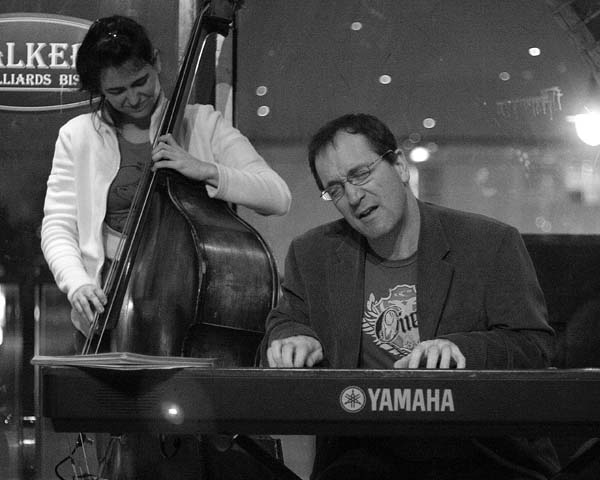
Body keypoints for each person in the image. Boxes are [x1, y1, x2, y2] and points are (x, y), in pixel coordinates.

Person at [261, 113, 560, 479]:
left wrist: (460, 350)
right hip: (366, 455)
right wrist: (292, 337)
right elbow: (285, 321)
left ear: (400, 165)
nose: (353, 196)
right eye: (335, 189)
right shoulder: (313, 254)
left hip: (478, 450)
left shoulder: (489, 243)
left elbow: (533, 346)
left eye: (361, 174)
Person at [41, 15, 291, 337]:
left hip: (185, 306)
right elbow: (58, 225)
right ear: (99, 89)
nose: (133, 98)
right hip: (106, 312)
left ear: (156, 62)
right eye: (116, 91)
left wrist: (204, 170)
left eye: (140, 82)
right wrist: (77, 283)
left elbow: (277, 196)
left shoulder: (203, 124)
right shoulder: (76, 136)